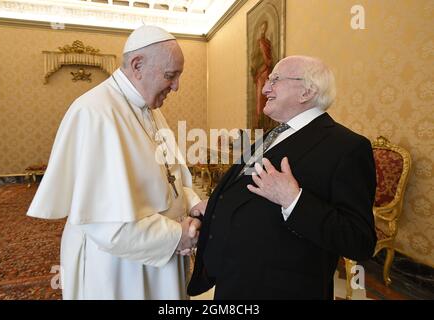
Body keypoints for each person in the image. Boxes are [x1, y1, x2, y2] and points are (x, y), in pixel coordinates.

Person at [27, 25, 207, 300]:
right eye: (170, 76)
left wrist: (193, 202)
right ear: (137, 65)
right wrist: (175, 237)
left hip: (160, 254)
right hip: (119, 269)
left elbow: (170, 176)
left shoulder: (149, 109)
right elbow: (104, 224)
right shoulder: (95, 113)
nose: (176, 86)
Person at [188, 55, 377, 299]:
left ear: (306, 91)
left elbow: (359, 240)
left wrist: (293, 199)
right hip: (235, 282)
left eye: (275, 80)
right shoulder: (272, 134)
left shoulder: (347, 147)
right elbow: (245, 189)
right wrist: (214, 207)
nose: (265, 88)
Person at [250, 20, 273, 130]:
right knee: (260, 99)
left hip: (265, 73)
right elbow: (258, 58)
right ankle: (260, 123)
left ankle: (265, 124)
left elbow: (267, 58)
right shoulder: (260, 43)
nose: (263, 30)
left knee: (264, 99)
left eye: (265, 28)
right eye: (262, 28)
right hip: (262, 73)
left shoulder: (266, 42)